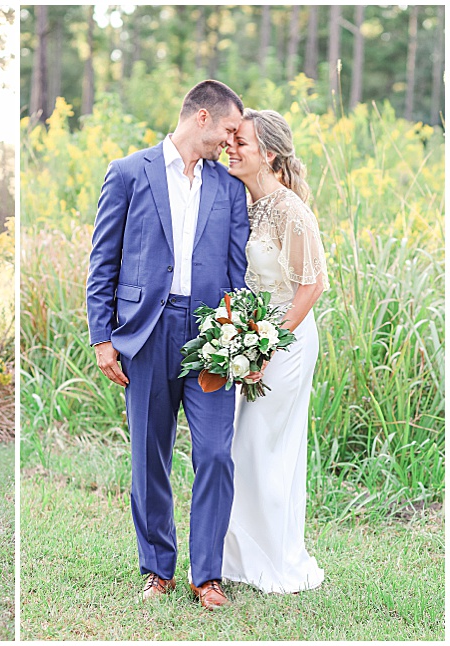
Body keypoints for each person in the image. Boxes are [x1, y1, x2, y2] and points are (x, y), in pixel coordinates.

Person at [86, 80, 250, 609]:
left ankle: (208, 575)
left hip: (210, 338)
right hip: (146, 333)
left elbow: (237, 274)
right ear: (201, 117)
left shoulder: (227, 189)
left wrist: (240, 341)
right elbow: (103, 262)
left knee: (216, 454)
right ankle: (158, 568)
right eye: (227, 129)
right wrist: (102, 339)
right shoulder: (128, 173)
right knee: (148, 456)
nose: (230, 141)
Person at [221, 108, 328, 593]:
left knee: (266, 444)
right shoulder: (245, 205)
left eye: (240, 141)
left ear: (267, 154)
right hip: (255, 337)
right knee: (247, 445)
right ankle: (242, 558)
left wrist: (268, 342)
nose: (230, 146)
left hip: (287, 339)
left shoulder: (289, 210)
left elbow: (312, 286)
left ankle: (274, 561)